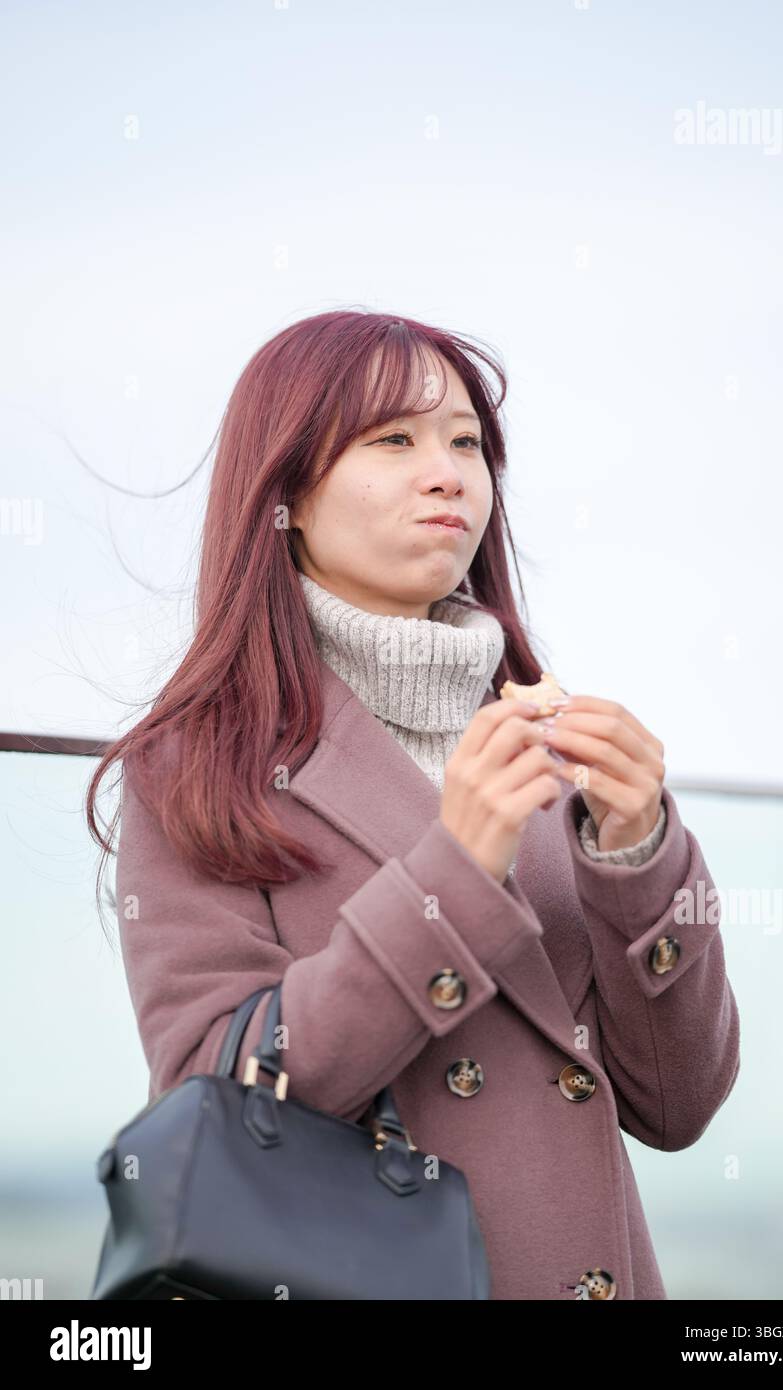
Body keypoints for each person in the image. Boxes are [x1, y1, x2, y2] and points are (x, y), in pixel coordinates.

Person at [86, 309, 740, 1300]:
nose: (447, 473)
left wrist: (640, 854)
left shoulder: (552, 746)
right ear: (287, 492)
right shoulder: (195, 762)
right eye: (393, 439)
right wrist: (452, 875)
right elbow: (214, 1097)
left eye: (465, 442)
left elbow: (677, 1106)